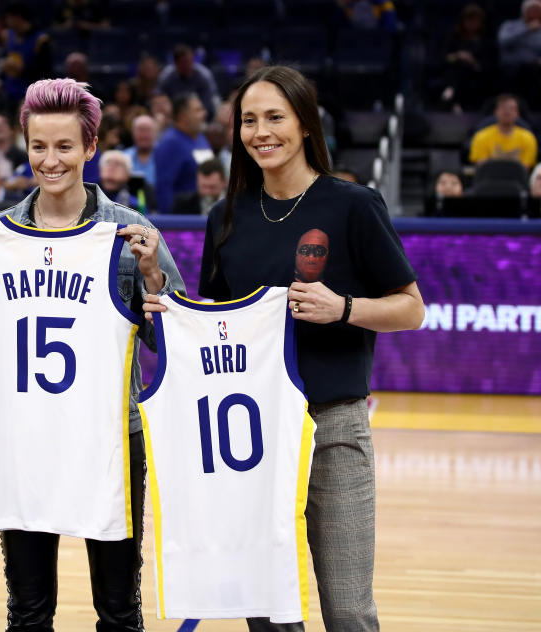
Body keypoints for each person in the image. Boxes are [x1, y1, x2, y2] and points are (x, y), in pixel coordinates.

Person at [147, 65, 424, 631]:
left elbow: (411, 307)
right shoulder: (224, 218)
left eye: (275, 117)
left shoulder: (353, 205)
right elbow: (221, 329)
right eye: (249, 120)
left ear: (303, 124)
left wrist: (342, 307)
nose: (260, 131)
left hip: (332, 426)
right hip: (254, 439)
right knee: (269, 610)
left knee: (347, 607)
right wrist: (164, 296)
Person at [0, 77, 184, 632]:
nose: (50, 160)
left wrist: (153, 275)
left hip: (108, 439)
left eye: (64, 147)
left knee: (119, 611)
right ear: (24, 147)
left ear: (90, 148)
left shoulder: (130, 233)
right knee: (28, 614)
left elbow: (171, 342)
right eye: (38, 147)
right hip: (24, 436)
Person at [153, 93, 212, 213]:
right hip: (184, 220)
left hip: (205, 211)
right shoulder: (170, 143)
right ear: (184, 116)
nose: (204, 113)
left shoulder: (200, 138)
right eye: (198, 110)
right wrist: (170, 225)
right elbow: (164, 188)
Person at [468, 94, 538, 169]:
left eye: (511, 108)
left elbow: (525, 169)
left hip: (517, 179)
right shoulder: (481, 136)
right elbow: (482, 167)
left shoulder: (528, 138)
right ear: (496, 112)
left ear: (517, 113)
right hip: (489, 179)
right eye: (503, 108)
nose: (507, 112)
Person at [156, 45, 218, 120]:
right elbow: (159, 97)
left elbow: (207, 104)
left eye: (190, 61)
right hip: (173, 116)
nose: (188, 65)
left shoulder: (203, 76)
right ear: (176, 63)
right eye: (184, 62)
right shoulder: (167, 77)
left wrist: (192, 114)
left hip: (198, 117)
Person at [124, 114, 157, 188]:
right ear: (133, 133)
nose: (144, 135)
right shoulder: (124, 157)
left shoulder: (164, 157)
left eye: (147, 130)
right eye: (140, 130)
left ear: (155, 133)